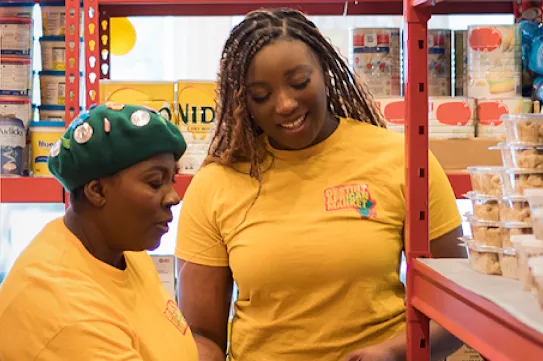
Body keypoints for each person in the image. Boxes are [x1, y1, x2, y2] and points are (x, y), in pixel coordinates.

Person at [176, 8, 465, 361]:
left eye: (299, 83)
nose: (285, 104)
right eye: (261, 95)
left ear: (325, 72)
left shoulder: (402, 160)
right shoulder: (216, 183)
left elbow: (458, 308)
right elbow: (202, 334)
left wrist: (393, 352)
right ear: (242, 102)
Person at [0, 103, 198, 361]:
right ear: (97, 191)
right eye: (155, 182)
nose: (174, 197)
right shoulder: (65, 308)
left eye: (171, 180)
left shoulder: (121, 251)